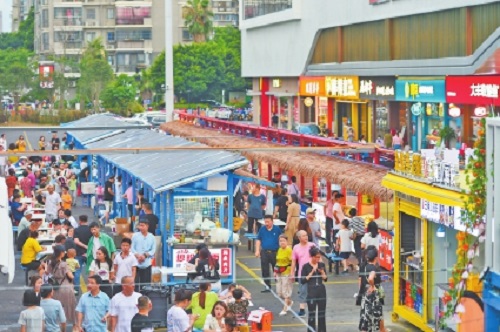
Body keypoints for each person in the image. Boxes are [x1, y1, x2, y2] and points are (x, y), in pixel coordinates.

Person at [358, 247, 386, 332]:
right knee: (376, 316)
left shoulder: (366, 266)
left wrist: (385, 278)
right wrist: (373, 286)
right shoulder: (373, 268)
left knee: (366, 316)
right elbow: (371, 278)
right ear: (376, 258)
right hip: (373, 296)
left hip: (367, 295)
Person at [46, 245, 76, 324]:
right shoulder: (64, 264)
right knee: (68, 305)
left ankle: (56, 321)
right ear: (61, 253)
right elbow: (70, 276)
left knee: (56, 306)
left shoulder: (50, 262)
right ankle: (67, 321)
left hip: (54, 286)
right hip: (65, 286)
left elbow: (47, 272)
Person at [300, 246, 327, 332]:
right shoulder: (306, 266)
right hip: (311, 290)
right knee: (312, 313)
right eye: (317, 257)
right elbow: (303, 280)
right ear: (312, 256)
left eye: (319, 257)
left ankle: (322, 330)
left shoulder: (321, 265)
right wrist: (312, 272)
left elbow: (325, 279)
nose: (318, 259)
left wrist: (322, 272)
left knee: (321, 313)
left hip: (321, 290)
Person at [290, 230, 316, 317]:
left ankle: (312, 309)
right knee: (302, 291)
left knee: (313, 292)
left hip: (313, 273)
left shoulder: (312, 245)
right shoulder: (296, 247)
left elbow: (317, 257)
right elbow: (293, 262)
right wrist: (292, 273)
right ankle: (302, 310)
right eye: (303, 236)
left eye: (306, 235)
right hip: (302, 273)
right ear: (299, 238)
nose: (306, 237)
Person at [255, 215, 282, 292]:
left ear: (272, 221)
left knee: (276, 269)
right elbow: (258, 240)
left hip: (275, 252)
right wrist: (257, 250)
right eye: (265, 222)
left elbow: (281, 239)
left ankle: (278, 285)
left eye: (268, 222)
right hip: (264, 252)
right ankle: (267, 286)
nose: (266, 223)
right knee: (265, 270)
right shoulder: (262, 229)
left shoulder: (277, 229)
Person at [131, 219, 156, 292]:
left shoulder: (152, 237)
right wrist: (138, 256)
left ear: (147, 226)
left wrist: (145, 256)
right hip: (136, 264)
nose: (140, 227)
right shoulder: (135, 236)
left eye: (142, 225)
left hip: (147, 264)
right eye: (140, 225)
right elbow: (132, 248)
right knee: (135, 283)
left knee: (146, 285)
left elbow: (153, 250)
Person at [275, 234, 293, 316]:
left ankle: (285, 308)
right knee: (279, 292)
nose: (282, 242)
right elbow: (277, 261)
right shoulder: (279, 250)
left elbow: (292, 262)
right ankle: (289, 302)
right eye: (280, 241)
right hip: (279, 271)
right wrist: (275, 271)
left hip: (286, 272)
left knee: (285, 291)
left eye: (283, 241)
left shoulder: (289, 250)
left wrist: (292, 273)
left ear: (287, 241)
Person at [74, 215, 92, 293]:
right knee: (91, 271)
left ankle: (76, 289)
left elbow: (76, 241)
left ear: (80, 221)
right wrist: (88, 248)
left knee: (77, 271)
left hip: (79, 253)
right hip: (89, 254)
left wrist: (84, 246)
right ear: (87, 220)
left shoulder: (77, 230)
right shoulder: (91, 230)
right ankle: (92, 287)